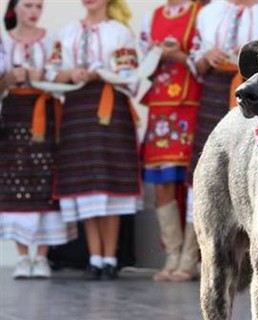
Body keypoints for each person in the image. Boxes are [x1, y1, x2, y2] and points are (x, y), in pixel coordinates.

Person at [45, 0, 140, 280]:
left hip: (109, 108)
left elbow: (129, 73)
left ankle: (110, 257)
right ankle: (95, 257)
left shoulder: (118, 32)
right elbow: (52, 71)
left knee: (108, 183)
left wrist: (100, 73)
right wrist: (71, 73)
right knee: (87, 184)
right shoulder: (67, 32)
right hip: (77, 109)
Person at [185, 0, 258, 238]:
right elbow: (196, 64)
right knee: (207, 163)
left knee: (250, 154)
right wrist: (207, 55)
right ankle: (192, 251)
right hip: (215, 90)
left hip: (252, 90)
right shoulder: (210, 12)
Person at [0, 0, 76, 280]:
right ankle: (22, 257)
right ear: (14, 9)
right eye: (28, 5)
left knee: (45, 180)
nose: (33, 11)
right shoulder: (3, 41)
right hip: (14, 115)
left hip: (46, 111)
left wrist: (43, 75)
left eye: (38, 6)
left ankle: (41, 257)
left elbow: (61, 73)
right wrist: (9, 77)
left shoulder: (51, 39)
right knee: (16, 181)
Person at [139, 0, 203, 282]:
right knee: (162, 180)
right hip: (160, 106)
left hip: (190, 105)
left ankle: (190, 257)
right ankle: (172, 254)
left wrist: (179, 55)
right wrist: (155, 56)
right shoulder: (152, 17)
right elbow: (140, 66)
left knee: (192, 182)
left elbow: (203, 61)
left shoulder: (200, 14)